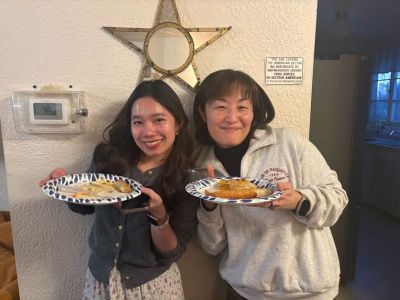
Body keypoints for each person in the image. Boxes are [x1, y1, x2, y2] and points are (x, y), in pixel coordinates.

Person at [192, 69, 348, 300]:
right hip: (245, 292)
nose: (232, 117)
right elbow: (213, 245)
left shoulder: (289, 143)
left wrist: (299, 201)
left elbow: (338, 198)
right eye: (220, 107)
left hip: (310, 292)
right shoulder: (204, 168)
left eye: (242, 107)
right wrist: (209, 207)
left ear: (253, 113)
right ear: (203, 114)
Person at [39, 80, 198, 300]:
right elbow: (85, 208)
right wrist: (66, 186)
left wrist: (159, 217)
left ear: (178, 124)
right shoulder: (108, 159)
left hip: (152, 287)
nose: (148, 131)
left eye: (159, 119)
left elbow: (171, 252)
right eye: (138, 122)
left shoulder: (187, 180)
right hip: (100, 280)